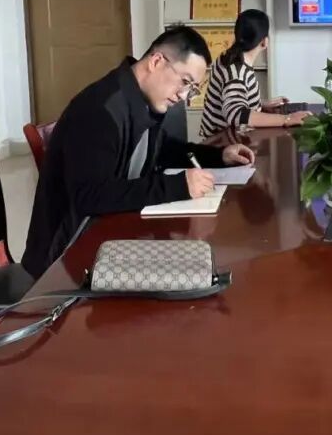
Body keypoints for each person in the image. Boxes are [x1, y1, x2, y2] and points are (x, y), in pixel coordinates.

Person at [22, 26, 256, 279]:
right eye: (185, 82)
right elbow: (89, 196)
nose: (184, 96)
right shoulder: (100, 109)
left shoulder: (138, 100)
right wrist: (177, 186)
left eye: (192, 89)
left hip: (107, 237)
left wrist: (219, 156)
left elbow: (162, 151)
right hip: (66, 259)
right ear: (156, 62)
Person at [199, 9, 311, 136]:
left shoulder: (228, 56)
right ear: (264, 42)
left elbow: (231, 97)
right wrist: (287, 119)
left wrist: (260, 103)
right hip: (221, 143)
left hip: (224, 138)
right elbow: (236, 114)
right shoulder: (237, 72)